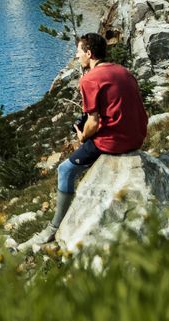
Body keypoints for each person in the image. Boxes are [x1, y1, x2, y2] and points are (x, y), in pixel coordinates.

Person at [41, 31, 147, 244]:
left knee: (65, 170)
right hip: (137, 135)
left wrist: (82, 137)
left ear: (89, 53)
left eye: (79, 52)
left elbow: (94, 122)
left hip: (115, 141)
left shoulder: (90, 79)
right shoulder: (123, 71)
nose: (77, 55)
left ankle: (55, 227)